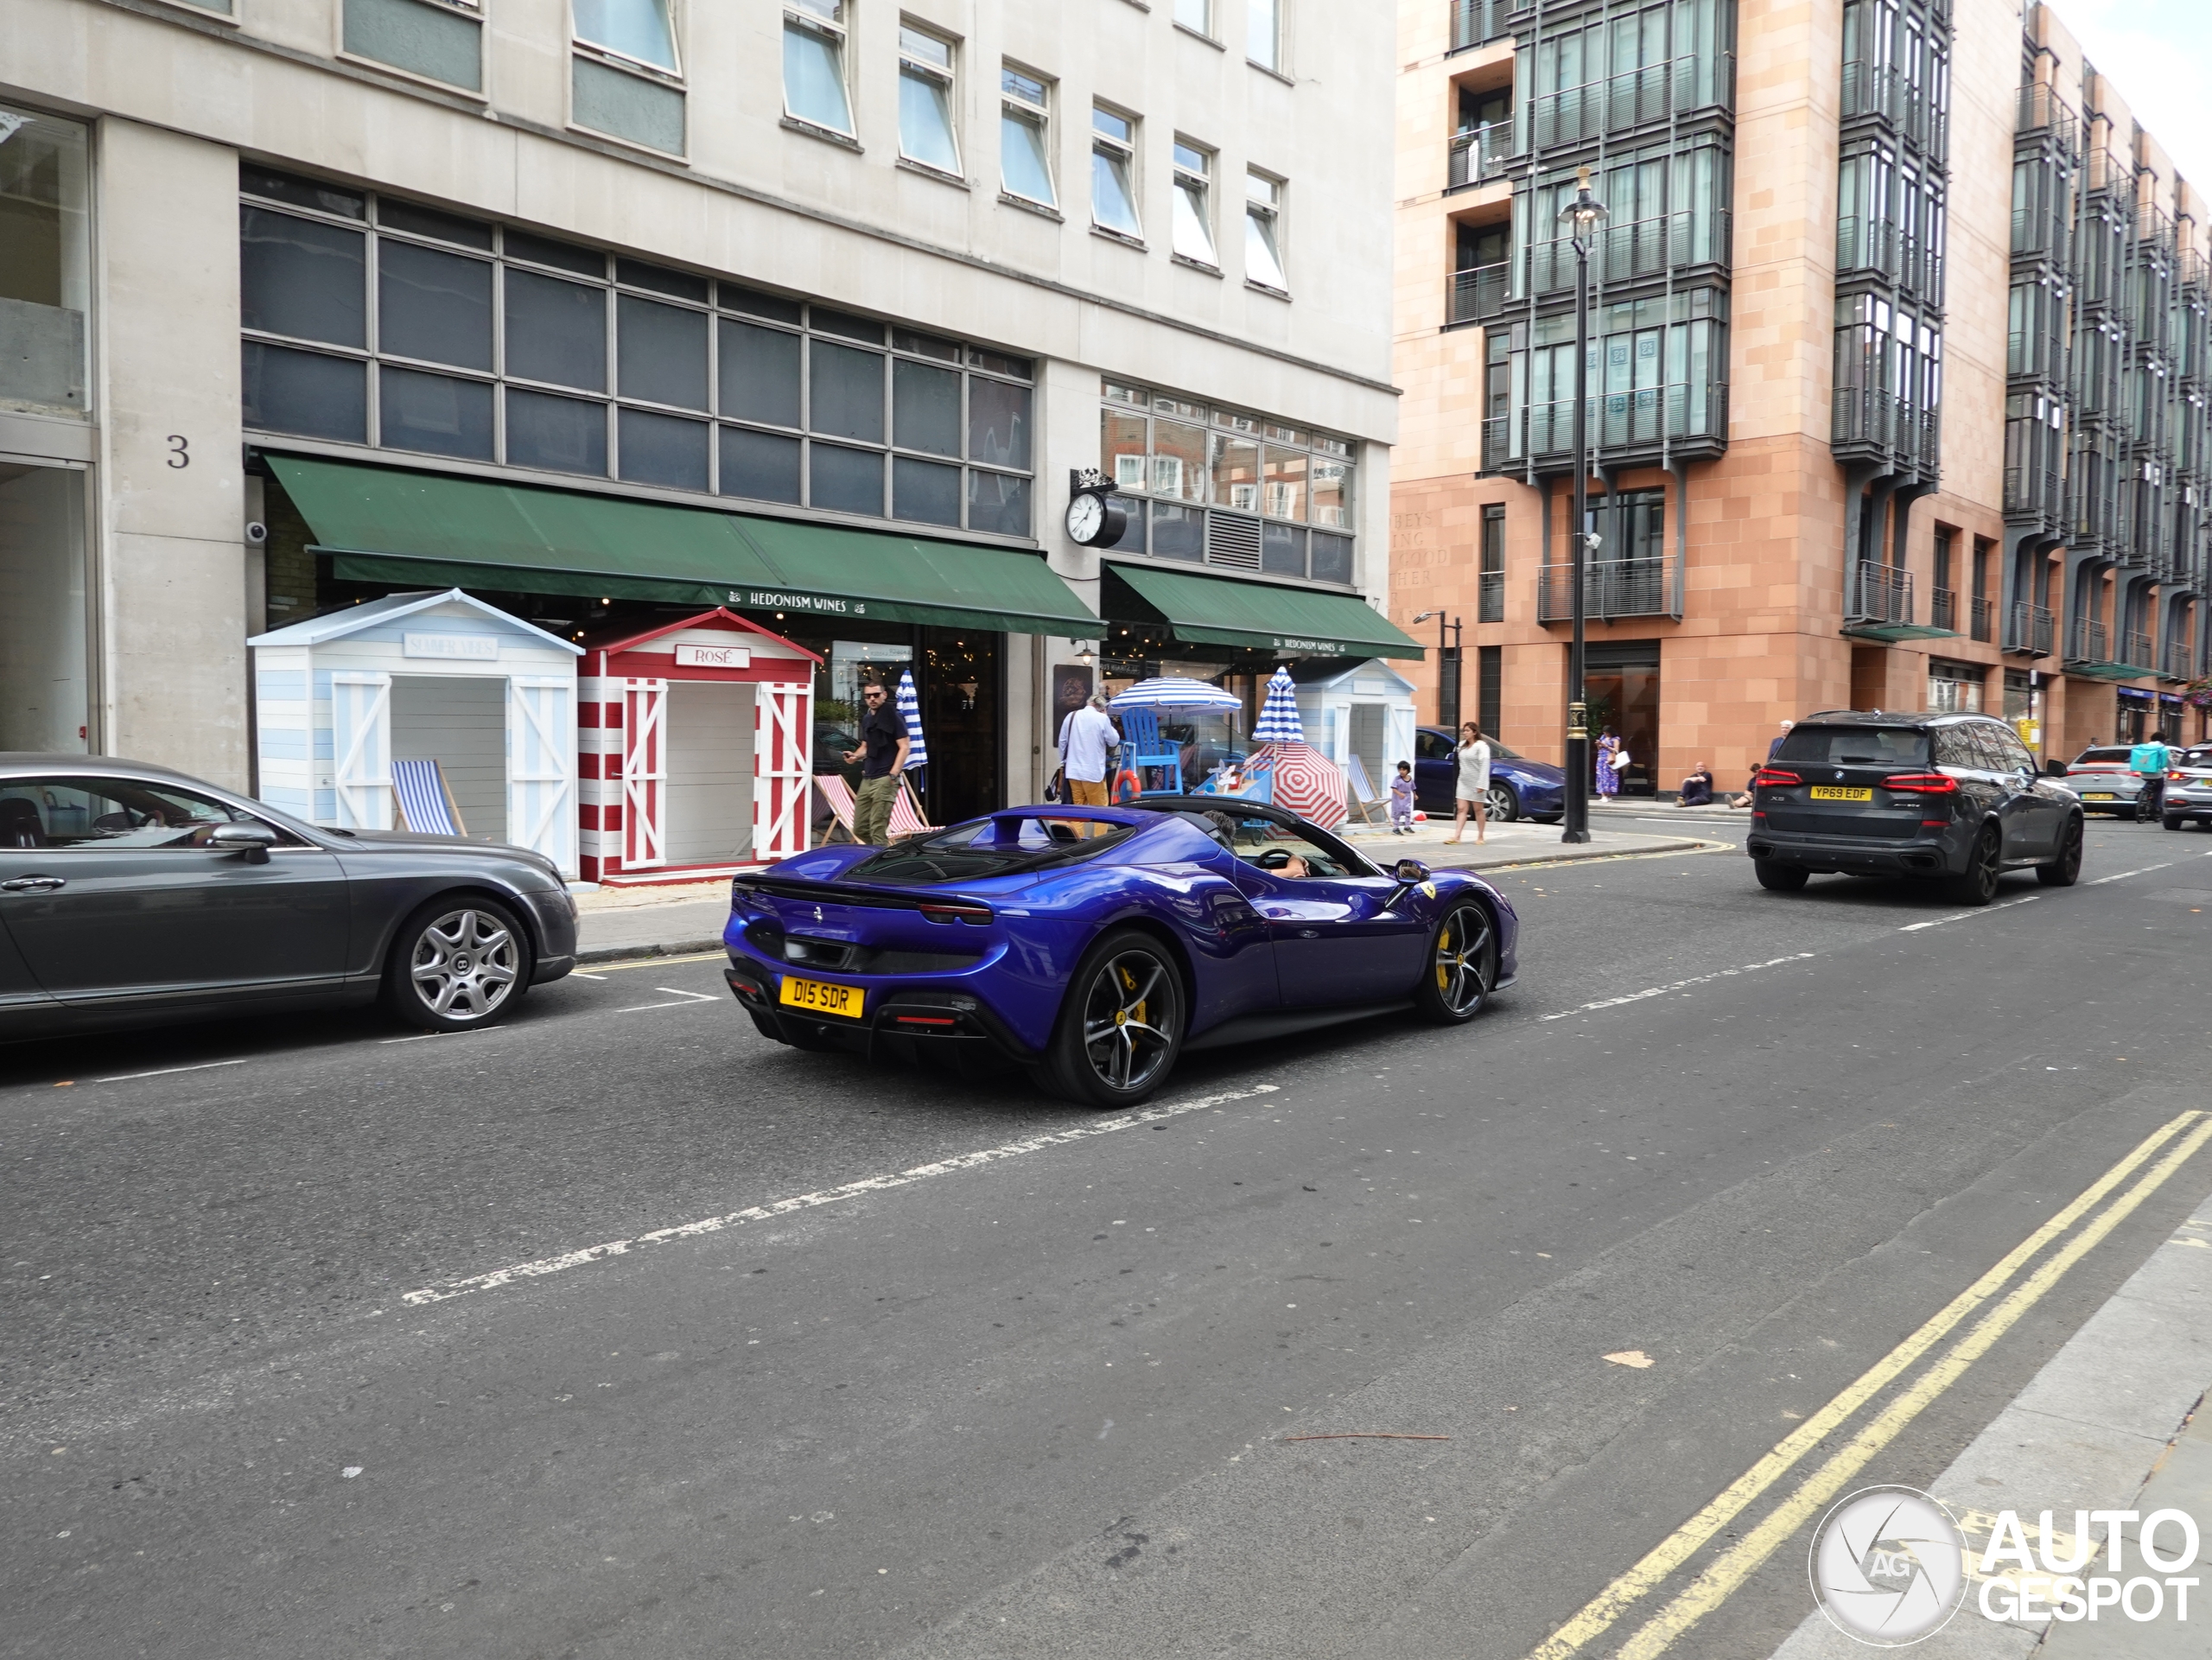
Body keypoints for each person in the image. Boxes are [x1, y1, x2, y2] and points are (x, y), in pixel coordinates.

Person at [842, 680, 909, 845]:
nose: (872, 698)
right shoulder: (867, 719)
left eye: (876, 695)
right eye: (868, 696)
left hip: (885, 778)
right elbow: (865, 747)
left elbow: (905, 746)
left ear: (884, 695)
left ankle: (879, 866)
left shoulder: (894, 716)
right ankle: (880, 856)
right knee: (859, 828)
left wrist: (893, 774)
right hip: (868, 778)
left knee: (877, 829)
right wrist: (855, 756)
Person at [1058, 693, 1121, 810]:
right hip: (1093, 772)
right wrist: (1106, 717)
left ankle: (1075, 829)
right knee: (1101, 810)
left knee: (1077, 809)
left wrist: (1064, 761)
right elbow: (1113, 741)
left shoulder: (1071, 716)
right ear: (1102, 708)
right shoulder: (1102, 719)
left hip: (1073, 771)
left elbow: (1062, 742)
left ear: (1089, 703)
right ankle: (1100, 829)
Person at [1448, 721, 1491, 845]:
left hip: (1477, 781)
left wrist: (1481, 784)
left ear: (1474, 732)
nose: (1465, 733)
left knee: (1478, 810)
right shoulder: (1462, 745)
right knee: (1461, 809)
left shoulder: (1481, 746)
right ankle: (1457, 836)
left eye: (1467, 731)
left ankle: (1480, 836)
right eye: (1464, 731)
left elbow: (1484, 765)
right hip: (1463, 780)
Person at [2131, 728, 2175, 822]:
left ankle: (2142, 795)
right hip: (2157, 774)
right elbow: (2169, 763)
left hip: (2144, 773)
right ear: (2163, 740)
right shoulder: (2163, 749)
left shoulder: (2145, 747)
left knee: (2148, 783)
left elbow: (2143, 761)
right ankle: (2157, 807)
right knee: (2159, 788)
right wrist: (2172, 770)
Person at [1389, 760, 1417, 834]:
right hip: (1398, 799)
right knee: (1397, 813)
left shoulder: (1410, 779)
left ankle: (1407, 826)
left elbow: (1413, 788)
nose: (1401, 771)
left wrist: (1415, 794)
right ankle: (1396, 828)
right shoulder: (1397, 779)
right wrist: (1399, 794)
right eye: (1400, 769)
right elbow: (1393, 788)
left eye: (1403, 770)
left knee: (1407, 812)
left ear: (1408, 770)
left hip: (1407, 798)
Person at [1595, 727, 1623, 801]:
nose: (1605, 734)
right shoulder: (1603, 738)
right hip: (1601, 759)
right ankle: (1603, 795)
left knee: (1609, 776)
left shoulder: (1615, 739)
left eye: (1607, 732)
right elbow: (1599, 749)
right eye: (1604, 732)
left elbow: (1616, 751)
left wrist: (1606, 746)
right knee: (1601, 776)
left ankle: (1608, 795)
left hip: (1610, 759)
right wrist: (1599, 744)